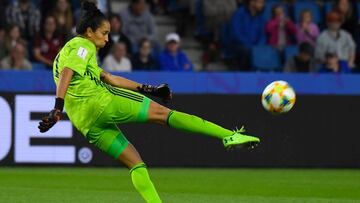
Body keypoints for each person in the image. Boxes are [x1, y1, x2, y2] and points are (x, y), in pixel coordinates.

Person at [37, 2, 260, 203]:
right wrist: (57, 108)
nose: (107, 39)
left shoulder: (71, 54)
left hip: (87, 123)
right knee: (166, 115)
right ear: (89, 31)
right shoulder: (81, 45)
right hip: (103, 102)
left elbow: (111, 78)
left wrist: (150, 89)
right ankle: (228, 135)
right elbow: (68, 72)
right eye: (104, 33)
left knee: (135, 163)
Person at [229, 0, 266, 70]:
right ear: (252, 2)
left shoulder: (261, 17)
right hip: (240, 46)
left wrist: (258, 46)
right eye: (260, 3)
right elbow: (236, 33)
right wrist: (248, 45)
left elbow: (263, 35)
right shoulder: (239, 14)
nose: (262, 5)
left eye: (263, 3)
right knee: (246, 52)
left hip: (255, 47)